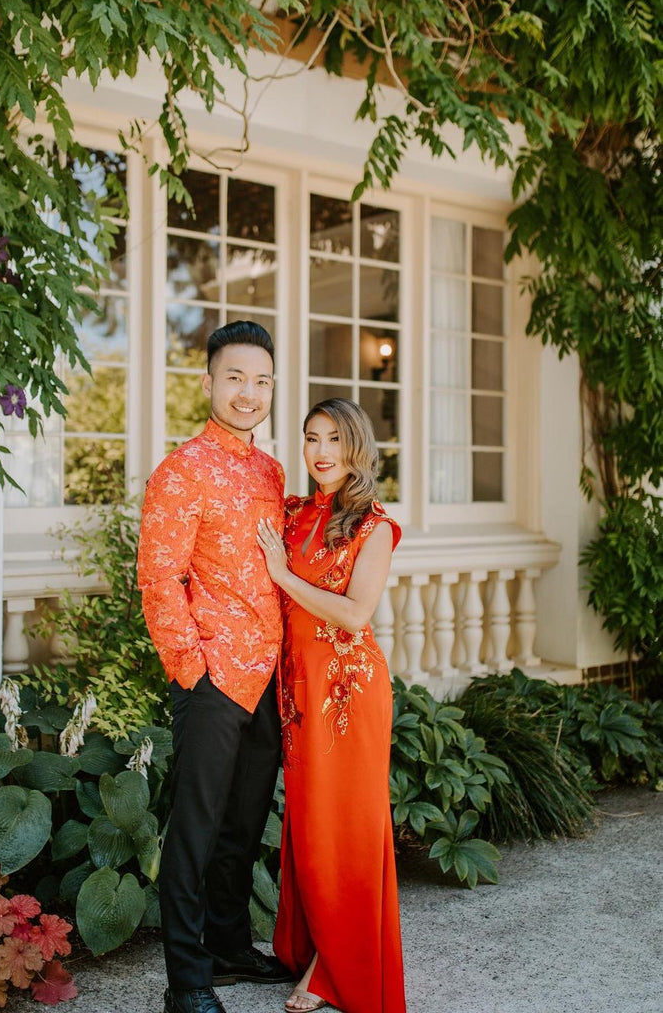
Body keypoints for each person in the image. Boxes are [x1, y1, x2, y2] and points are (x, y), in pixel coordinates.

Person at [138, 321, 294, 1013]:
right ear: (207, 382)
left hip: (267, 678)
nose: (248, 392)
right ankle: (188, 981)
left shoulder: (270, 471)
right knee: (197, 829)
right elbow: (158, 577)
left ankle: (230, 950)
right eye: (235, 377)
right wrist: (189, 668)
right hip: (211, 678)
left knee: (243, 824)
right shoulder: (180, 472)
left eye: (260, 381)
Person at [256, 397, 406, 1013]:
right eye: (311, 438)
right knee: (310, 826)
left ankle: (331, 968)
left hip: (347, 692)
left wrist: (282, 575)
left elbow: (354, 614)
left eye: (334, 440)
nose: (320, 452)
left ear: (356, 449)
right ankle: (316, 946)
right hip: (297, 691)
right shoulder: (291, 515)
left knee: (343, 826)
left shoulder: (374, 525)